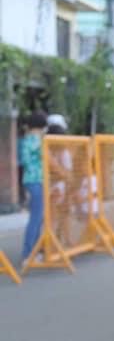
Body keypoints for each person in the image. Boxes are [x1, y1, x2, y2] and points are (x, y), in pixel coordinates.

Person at [19, 112, 47, 266]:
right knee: (36, 218)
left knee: (37, 217)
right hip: (36, 180)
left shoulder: (26, 140)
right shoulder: (38, 141)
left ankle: (33, 252)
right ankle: (28, 254)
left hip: (30, 180)